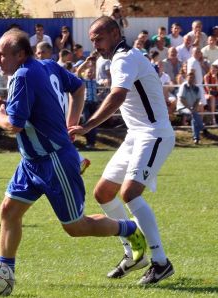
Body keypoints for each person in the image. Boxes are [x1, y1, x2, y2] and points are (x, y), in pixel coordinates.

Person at [0, 28, 146, 279]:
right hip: (32, 162)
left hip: (54, 161)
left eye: (1, 55)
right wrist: (70, 124)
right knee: (9, 211)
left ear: (19, 55)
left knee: (76, 227)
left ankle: (129, 229)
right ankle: (4, 270)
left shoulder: (23, 76)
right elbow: (78, 87)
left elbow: (14, 125)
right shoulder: (47, 65)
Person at [69, 16, 175, 284]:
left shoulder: (124, 57)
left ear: (116, 33)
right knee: (103, 192)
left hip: (154, 134)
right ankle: (133, 252)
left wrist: (88, 126)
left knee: (129, 193)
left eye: (99, 39)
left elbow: (118, 96)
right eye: (92, 40)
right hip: (136, 136)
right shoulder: (119, 57)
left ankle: (160, 262)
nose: (95, 46)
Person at [177, 72, 206, 144]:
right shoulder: (184, 86)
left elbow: (197, 100)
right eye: (190, 77)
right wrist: (190, 108)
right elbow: (181, 99)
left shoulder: (197, 88)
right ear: (187, 78)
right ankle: (202, 129)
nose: (191, 79)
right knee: (193, 114)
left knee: (194, 115)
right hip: (182, 107)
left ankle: (196, 138)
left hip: (191, 108)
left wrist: (194, 108)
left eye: (193, 77)